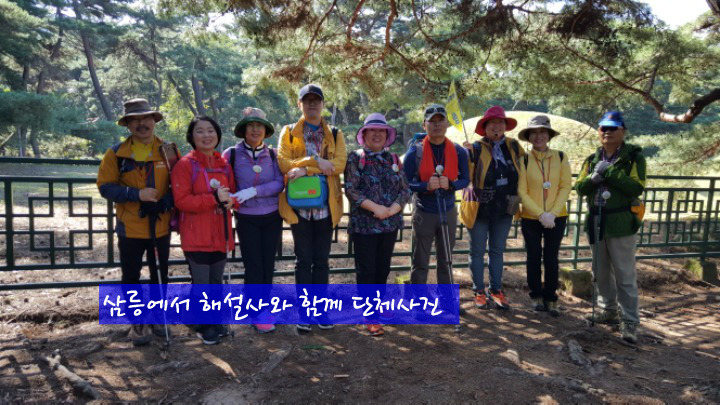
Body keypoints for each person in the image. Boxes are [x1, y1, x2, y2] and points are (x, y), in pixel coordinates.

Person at [97, 98, 173, 345]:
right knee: (131, 276)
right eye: (135, 120)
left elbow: (180, 183)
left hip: (160, 227)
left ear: (154, 121)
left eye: (146, 118)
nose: (142, 124)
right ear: (128, 125)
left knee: (159, 275)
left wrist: (165, 202)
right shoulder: (115, 154)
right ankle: (137, 321)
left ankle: (158, 318)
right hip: (129, 227)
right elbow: (105, 187)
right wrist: (136, 194)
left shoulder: (169, 151)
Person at [277, 84, 347, 332]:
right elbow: (284, 163)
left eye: (316, 100)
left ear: (323, 104)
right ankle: (305, 312)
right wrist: (316, 162)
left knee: (322, 261)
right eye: (307, 100)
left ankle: (320, 311)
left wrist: (306, 169)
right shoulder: (289, 132)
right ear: (300, 104)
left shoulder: (335, 133)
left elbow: (339, 164)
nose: (312, 104)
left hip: (326, 207)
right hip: (299, 207)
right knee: (303, 260)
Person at [575, 111, 646, 344]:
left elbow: (636, 187)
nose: (607, 132)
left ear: (623, 131)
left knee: (625, 273)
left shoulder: (634, 158)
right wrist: (593, 178)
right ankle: (608, 309)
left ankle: (630, 320)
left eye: (613, 128)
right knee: (601, 270)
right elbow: (580, 188)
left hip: (620, 222)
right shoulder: (592, 159)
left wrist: (610, 171)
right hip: (596, 220)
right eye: (603, 128)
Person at [344, 113, 411, 336]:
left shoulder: (394, 159)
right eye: (372, 130)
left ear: (387, 135)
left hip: (389, 224)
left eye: (381, 131)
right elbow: (351, 190)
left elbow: (405, 189)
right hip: (364, 225)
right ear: (364, 134)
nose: (377, 134)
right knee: (367, 270)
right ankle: (369, 313)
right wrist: (375, 208)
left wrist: (392, 209)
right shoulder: (356, 158)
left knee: (382, 268)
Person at [171, 116, 236, 345]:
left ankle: (213, 319)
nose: (206, 135)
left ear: (217, 134)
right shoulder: (185, 165)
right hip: (196, 234)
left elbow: (232, 193)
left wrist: (232, 201)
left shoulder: (224, 164)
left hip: (221, 233)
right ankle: (203, 324)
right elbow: (182, 201)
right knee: (201, 282)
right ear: (191, 136)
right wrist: (213, 199)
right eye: (200, 131)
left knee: (216, 280)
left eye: (211, 130)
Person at [223, 107, 284, 334]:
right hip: (246, 217)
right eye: (251, 125)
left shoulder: (274, 154)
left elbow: (280, 182)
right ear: (244, 129)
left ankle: (264, 308)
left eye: (260, 126)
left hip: (272, 216)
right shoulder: (231, 154)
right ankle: (254, 310)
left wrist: (254, 191)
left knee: (268, 264)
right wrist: (231, 195)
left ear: (265, 131)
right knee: (253, 265)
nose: (255, 130)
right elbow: (223, 179)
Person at [459, 106, 524, 310]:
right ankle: (478, 291)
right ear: (485, 127)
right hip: (479, 207)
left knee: (497, 251)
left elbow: (525, 170)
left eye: (500, 122)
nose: (497, 126)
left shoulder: (514, 147)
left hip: (505, 206)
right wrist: (465, 156)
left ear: (505, 125)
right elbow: (465, 176)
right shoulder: (475, 148)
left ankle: (496, 290)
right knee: (477, 251)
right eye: (492, 123)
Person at [403, 104, 470, 304]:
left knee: (446, 258)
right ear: (424, 125)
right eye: (432, 121)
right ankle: (418, 301)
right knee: (420, 260)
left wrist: (451, 184)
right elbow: (405, 183)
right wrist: (425, 186)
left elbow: (465, 179)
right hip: (424, 211)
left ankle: (447, 299)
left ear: (447, 124)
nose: (437, 124)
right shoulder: (415, 152)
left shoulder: (458, 151)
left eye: (441, 120)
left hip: (448, 209)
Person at [517, 115, 572, 317]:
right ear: (528, 137)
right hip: (531, 217)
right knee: (533, 257)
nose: (538, 136)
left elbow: (565, 186)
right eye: (534, 132)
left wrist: (553, 213)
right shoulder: (524, 160)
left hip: (557, 216)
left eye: (542, 132)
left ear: (549, 135)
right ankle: (536, 296)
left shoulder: (561, 157)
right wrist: (541, 214)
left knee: (551, 257)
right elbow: (521, 191)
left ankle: (551, 297)